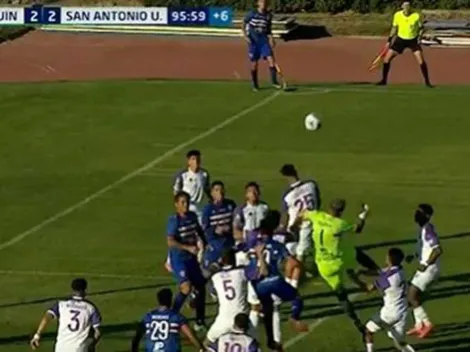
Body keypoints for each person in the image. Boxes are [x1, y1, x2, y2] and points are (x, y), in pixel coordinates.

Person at [301, 199, 373, 334]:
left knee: (341, 296)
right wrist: (363, 215)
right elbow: (357, 228)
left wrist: (297, 224)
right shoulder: (340, 224)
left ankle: (356, 321)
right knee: (353, 253)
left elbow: (304, 214)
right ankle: (374, 273)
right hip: (337, 262)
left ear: (329, 208)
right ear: (341, 211)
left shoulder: (318, 215)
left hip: (323, 265)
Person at [246, 210, 308, 351]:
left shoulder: (251, 237)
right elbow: (292, 262)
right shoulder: (277, 243)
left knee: (255, 308)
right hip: (271, 279)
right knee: (277, 307)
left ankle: (250, 342)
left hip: (253, 280)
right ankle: (279, 340)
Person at [167, 191, 207, 330]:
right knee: (186, 287)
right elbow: (170, 241)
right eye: (182, 202)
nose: (185, 205)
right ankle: (172, 316)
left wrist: (205, 243)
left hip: (191, 258)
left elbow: (199, 230)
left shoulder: (192, 216)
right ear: (176, 204)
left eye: (187, 202)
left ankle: (200, 320)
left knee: (200, 286)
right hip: (179, 259)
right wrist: (188, 248)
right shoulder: (174, 220)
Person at [362, 248, 416, 352]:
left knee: (368, 330)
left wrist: (354, 278)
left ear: (390, 259)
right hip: (402, 312)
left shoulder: (388, 278)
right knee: (399, 343)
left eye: (387, 256)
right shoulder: (400, 269)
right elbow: (380, 271)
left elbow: (368, 288)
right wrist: (363, 272)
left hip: (389, 313)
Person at [233, 181, 269, 330]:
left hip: (259, 251)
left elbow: (268, 228)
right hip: (244, 252)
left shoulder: (264, 208)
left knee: (259, 280)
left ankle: (256, 307)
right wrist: (247, 241)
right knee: (242, 281)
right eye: (250, 192)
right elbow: (236, 231)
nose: (253, 194)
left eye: (255, 191)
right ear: (246, 194)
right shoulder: (241, 210)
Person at [30, 278, 101, 352]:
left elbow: (47, 317)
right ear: (85, 289)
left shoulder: (61, 305)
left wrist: (37, 336)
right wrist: (92, 345)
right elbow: (97, 332)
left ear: (72, 289)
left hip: (61, 348)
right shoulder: (90, 308)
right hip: (79, 349)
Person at [406, 204, 442, 338]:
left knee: (412, 295)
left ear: (426, 216)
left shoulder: (428, 230)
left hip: (429, 269)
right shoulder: (423, 229)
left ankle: (427, 323)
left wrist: (426, 264)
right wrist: (414, 256)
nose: (416, 214)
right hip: (428, 268)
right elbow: (425, 247)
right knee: (414, 297)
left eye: (419, 212)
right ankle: (418, 326)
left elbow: (437, 250)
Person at [205, 249, 255, 345]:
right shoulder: (241, 272)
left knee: (206, 344)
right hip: (241, 319)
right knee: (252, 344)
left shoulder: (216, 276)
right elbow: (257, 272)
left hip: (223, 319)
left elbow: (213, 295)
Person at [378, 1, 432, 87]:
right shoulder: (397, 15)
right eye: (405, 6)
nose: (407, 8)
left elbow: (421, 28)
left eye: (408, 6)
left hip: (413, 40)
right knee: (386, 59)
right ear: (402, 7)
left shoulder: (416, 16)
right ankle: (384, 80)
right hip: (400, 40)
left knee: (421, 60)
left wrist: (419, 37)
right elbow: (394, 28)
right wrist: (389, 40)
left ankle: (427, 82)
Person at [131, 288, 204, 352]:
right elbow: (191, 336)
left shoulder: (148, 317)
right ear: (170, 300)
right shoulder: (176, 317)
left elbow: (137, 337)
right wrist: (202, 348)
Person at [279, 163, 321, 274]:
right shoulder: (311, 185)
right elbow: (318, 201)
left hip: (298, 226)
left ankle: (296, 276)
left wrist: (282, 227)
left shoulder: (288, 195)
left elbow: (285, 215)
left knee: (299, 252)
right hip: (315, 220)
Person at [242, 0, 280, 91]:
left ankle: (274, 81)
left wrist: (271, 38)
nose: (264, 4)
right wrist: (245, 36)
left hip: (263, 42)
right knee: (254, 64)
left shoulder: (268, 16)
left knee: (271, 60)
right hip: (253, 42)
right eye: (262, 2)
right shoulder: (252, 14)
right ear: (258, 3)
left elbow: (268, 30)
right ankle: (255, 84)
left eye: (265, 3)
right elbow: (243, 24)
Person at [202, 180, 237, 274]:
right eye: (216, 190)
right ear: (212, 193)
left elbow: (236, 221)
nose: (220, 193)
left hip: (229, 242)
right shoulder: (208, 209)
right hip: (215, 244)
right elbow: (205, 229)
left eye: (221, 190)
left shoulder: (230, 204)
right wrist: (215, 230)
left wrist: (231, 228)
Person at [173, 149, 210, 225]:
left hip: (200, 208)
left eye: (197, 159)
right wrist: (179, 207)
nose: (196, 161)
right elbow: (176, 191)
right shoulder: (183, 175)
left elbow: (207, 189)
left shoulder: (204, 174)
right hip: (187, 208)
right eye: (193, 159)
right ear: (188, 161)